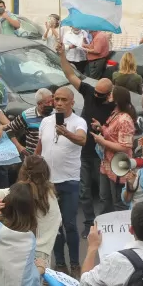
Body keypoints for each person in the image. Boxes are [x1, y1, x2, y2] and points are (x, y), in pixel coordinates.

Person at [54, 51, 113, 236]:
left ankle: (103, 224)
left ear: (109, 94)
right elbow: (70, 74)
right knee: (84, 191)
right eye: (95, 91)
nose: (96, 95)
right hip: (84, 152)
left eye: (101, 94)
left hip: (104, 154)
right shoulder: (88, 91)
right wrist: (62, 55)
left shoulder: (114, 104)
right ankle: (89, 222)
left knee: (104, 195)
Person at [37, 85, 88, 272]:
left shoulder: (78, 122)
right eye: (56, 99)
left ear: (72, 102)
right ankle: (59, 264)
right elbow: (39, 147)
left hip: (69, 182)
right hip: (48, 182)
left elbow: (82, 140)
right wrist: (32, 166)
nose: (58, 103)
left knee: (70, 224)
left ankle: (75, 263)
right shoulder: (46, 122)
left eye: (63, 100)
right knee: (53, 226)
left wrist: (65, 132)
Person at [94, 85, 137, 214]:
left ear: (118, 99)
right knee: (104, 198)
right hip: (107, 163)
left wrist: (102, 141)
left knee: (119, 203)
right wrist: (101, 128)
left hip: (119, 165)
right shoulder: (115, 113)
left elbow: (125, 146)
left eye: (111, 93)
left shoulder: (125, 120)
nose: (108, 95)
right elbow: (113, 134)